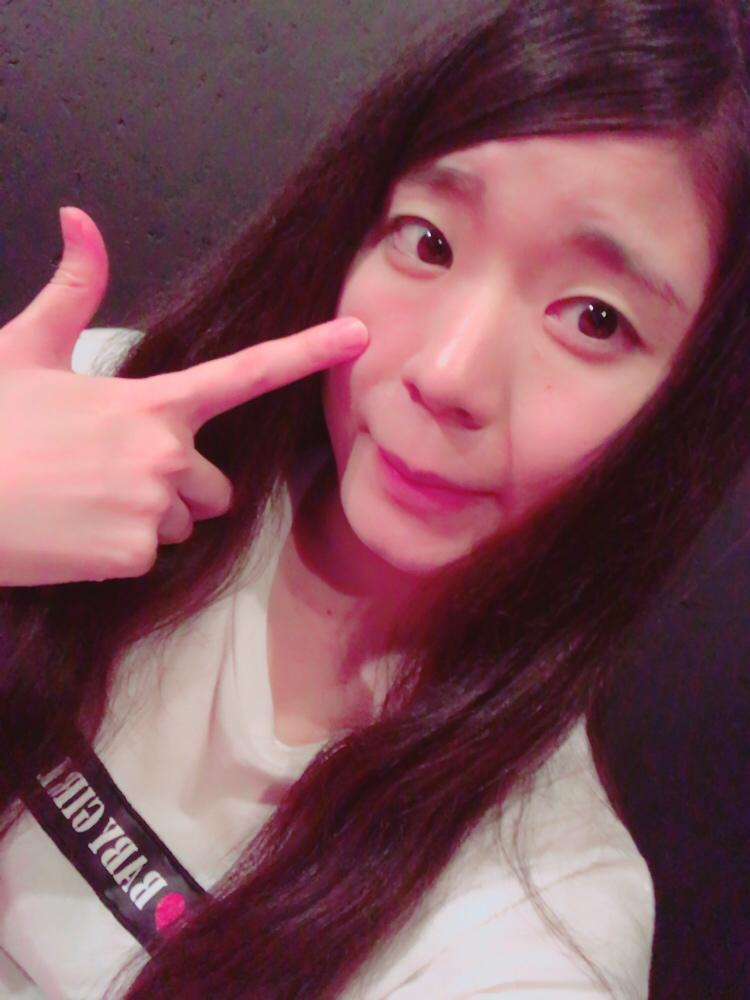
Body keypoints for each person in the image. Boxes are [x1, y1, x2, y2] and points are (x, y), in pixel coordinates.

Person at [0, 0, 748, 996]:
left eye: (595, 320)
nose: (447, 372)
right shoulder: (107, 427)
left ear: (681, 412)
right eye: (428, 242)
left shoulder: (538, 925)